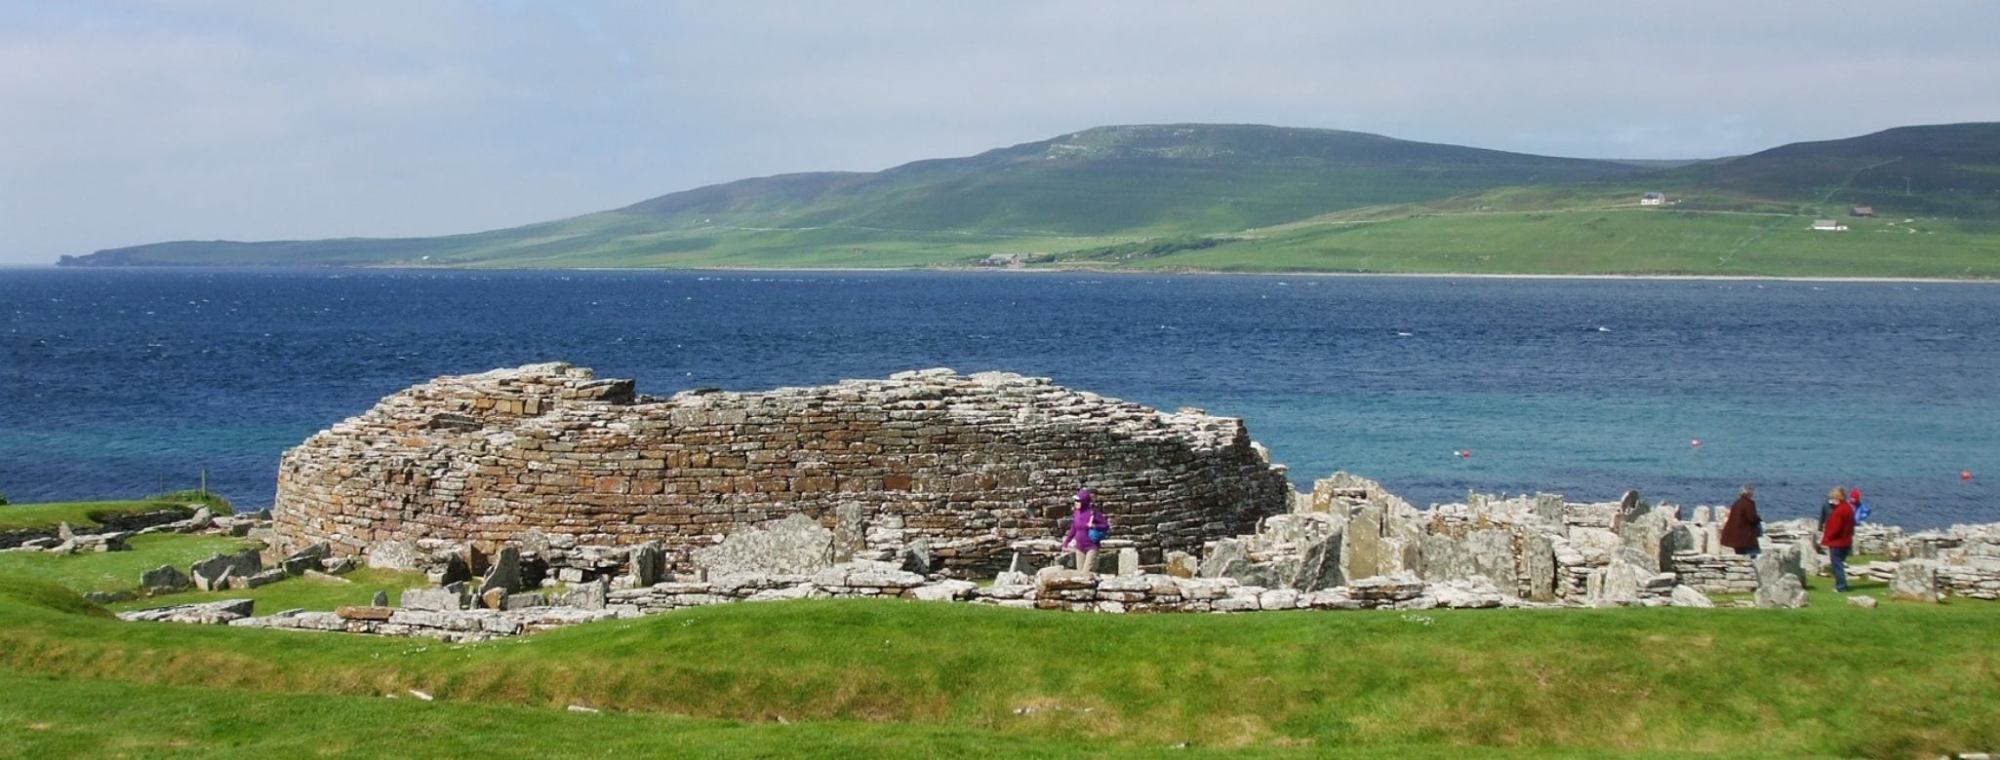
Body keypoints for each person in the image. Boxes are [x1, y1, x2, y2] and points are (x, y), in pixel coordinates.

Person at [1059, 488, 1110, 574]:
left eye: (1078, 501)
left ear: (1084, 502)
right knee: (1080, 575)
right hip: (1079, 548)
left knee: (1087, 573)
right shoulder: (1076, 513)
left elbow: (1106, 526)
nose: (1076, 503)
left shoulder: (1093, 513)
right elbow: (1073, 528)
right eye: (1075, 501)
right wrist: (1066, 543)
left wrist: (1094, 526)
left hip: (1092, 547)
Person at [1820, 485, 1857, 592]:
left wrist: (1827, 537)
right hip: (1846, 541)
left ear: (1837, 498)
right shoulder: (1848, 508)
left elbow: (1835, 528)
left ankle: (1841, 586)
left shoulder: (1840, 511)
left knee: (1837, 565)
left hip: (1837, 542)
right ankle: (1840, 584)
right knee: (1839, 564)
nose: (1831, 501)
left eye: (1833, 498)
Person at [1717, 484, 1763, 558]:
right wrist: (1759, 519)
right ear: (1750, 493)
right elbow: (1751, 518)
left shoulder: (1737, 503)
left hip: (1736, 535)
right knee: (1753, 555)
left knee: (1741, 555)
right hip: (1745, 536)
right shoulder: (1749, 503)